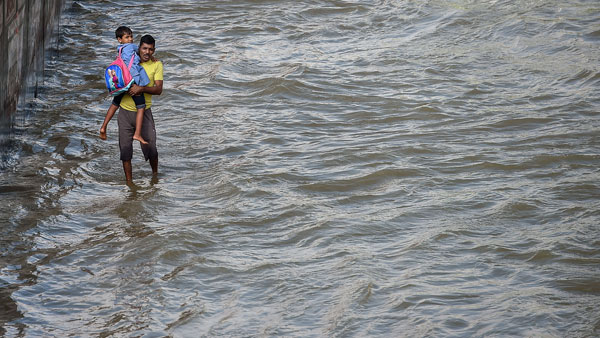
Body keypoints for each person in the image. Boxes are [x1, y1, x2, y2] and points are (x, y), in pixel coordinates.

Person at [100, 34, 163, 183]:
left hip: (145, 113)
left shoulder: (156, 65)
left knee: (152, 149)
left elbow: (159, 89)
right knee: (125, 152)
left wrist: (140, 88)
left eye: (151, 50)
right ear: (138, 48)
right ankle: (129, 184)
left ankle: (155, 178)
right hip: (125, 114)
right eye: (144, 48)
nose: (147, 52)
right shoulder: (129, 60)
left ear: (154, 51)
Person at [100, 26, 150, 145]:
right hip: (131, 81)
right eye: (127, 37)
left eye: (131, 36)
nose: (130, 39)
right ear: (119, 39)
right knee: (141, 106)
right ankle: (137, 133)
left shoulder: (120, 49)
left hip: (123, 82)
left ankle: (103, 127)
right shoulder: (131, 47)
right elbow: (142, 51)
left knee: (115, 103)